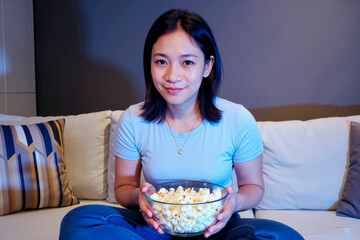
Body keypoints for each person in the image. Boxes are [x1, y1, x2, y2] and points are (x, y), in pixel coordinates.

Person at [60, 9, 304, 240]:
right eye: (161, 62)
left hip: (216, 229)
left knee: (281, 235)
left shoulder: (237, 119)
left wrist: (234, 203)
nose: (172, 76)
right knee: (79, 220)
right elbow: (124, 187)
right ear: (150, 63)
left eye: (187, 62)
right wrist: (140, 197)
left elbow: (253, 187)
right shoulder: (133, 120)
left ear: (207, 66)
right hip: (156, 227)